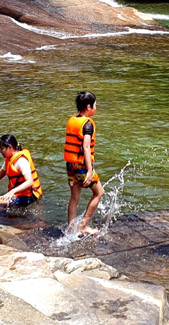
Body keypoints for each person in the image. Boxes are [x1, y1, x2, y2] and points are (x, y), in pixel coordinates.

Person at [65, 91, 105, 235]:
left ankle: (70, 229)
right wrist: (89, 170)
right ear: (88, 107)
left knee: (74, 198)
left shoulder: (73, 120)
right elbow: (86, 147)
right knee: (99, 193)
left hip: (70, 165)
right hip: (82, 166)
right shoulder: (87, 124)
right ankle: (83, 226)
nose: (96, 107)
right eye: (95, 105)